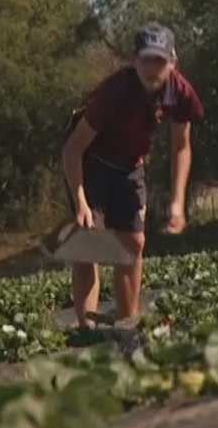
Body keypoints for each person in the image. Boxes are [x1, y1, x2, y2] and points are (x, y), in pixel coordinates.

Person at [61, 25, 203, 329]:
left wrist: (178, 202)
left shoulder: (179, 92)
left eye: (160, 61)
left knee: (134, 243)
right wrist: (81, 202)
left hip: (129, 165)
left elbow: (181, 147)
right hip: (92, 164)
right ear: (134, 61)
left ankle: (127, 325)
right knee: (88, 244)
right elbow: (72, 149)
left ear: (173, 61)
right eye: (147, 60)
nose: (153, 69)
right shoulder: (114, 92)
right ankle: (87, 330)